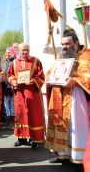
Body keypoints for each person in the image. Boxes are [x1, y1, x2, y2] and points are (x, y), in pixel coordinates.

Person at [45, 29, 90, 171]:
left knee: (77, 127)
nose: (64, 47)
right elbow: (50, 74)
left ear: (76, 43)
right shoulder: (61, 59)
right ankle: (64, 155)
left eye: (67, 44)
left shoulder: (86, 57)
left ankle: (80, 158)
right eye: (62, 44)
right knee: (64, 126)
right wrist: (50, 80)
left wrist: (76, 81)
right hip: (60, 97)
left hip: (78, 98)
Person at [7, 43, 45, 149]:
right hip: (19, 93)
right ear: (18, 50)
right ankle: (21, 138)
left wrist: (33, 81)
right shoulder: (14, 63)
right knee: (20, 114)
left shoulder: (36, 61)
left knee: (33, 115)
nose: (25, 52)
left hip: (32, 92)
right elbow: (10, 75)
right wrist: (13, 82)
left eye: (27, 50)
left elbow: (41, 76)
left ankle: (35, 139)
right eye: (23, 50)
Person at [1, 47, 15, 128]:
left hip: (12, 86)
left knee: (13, 105)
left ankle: (13, 122)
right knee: (6, 105)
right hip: (5, 86)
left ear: (13, 53)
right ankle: (8, 121)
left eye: (9, 52)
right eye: (6, 52)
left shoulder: (14, 62)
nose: (7, 54)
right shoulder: (4, 62)